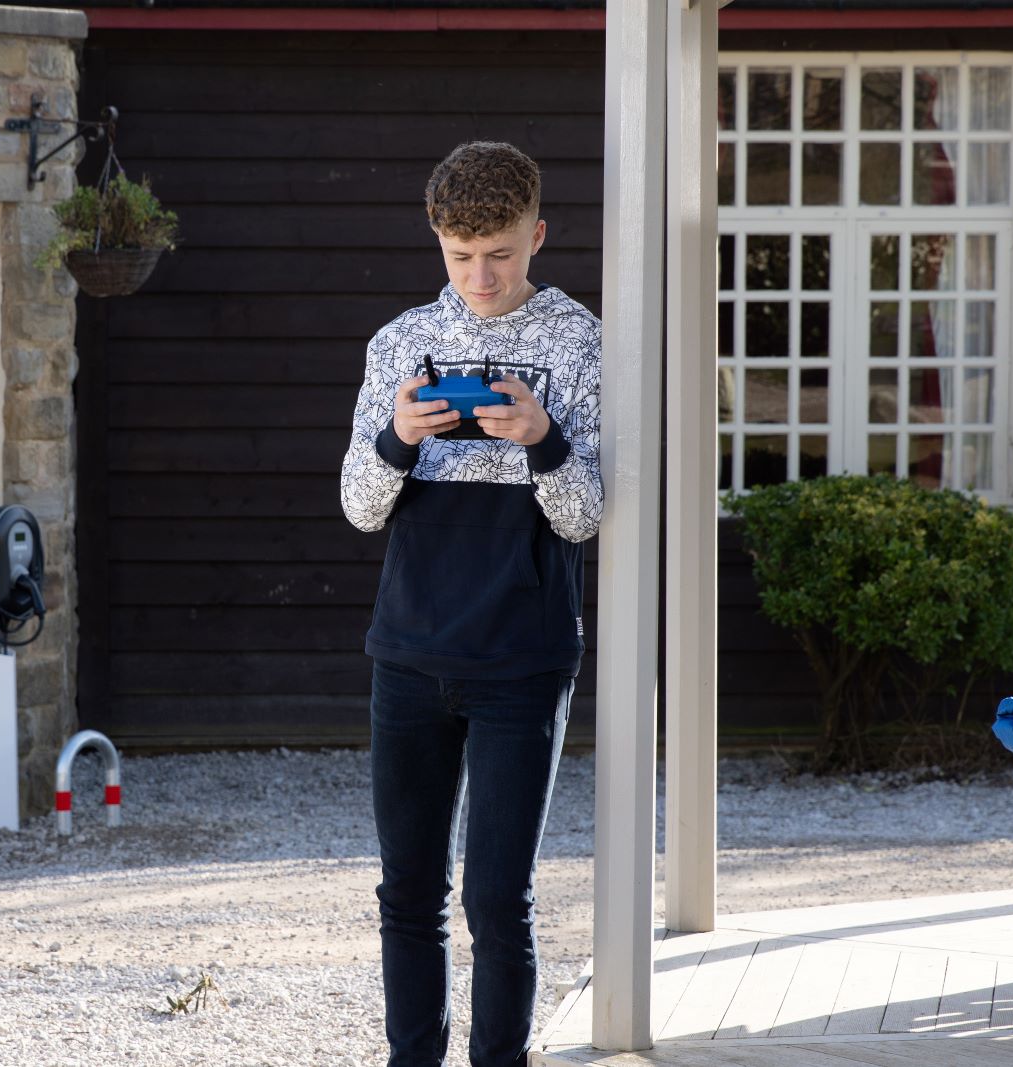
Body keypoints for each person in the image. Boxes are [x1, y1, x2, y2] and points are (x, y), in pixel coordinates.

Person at [339, 141, 603, 1067]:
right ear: (436, 242)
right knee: (407, 889)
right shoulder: (400, 344)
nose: (480, 276)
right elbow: (360, 509)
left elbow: (582, 520)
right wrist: (397, 438)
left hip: (523, 662)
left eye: (498, 252)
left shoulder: (580, 343)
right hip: (408, 654)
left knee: (498, 896)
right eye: (459, 255)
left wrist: (542, 437)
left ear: (536, 235)